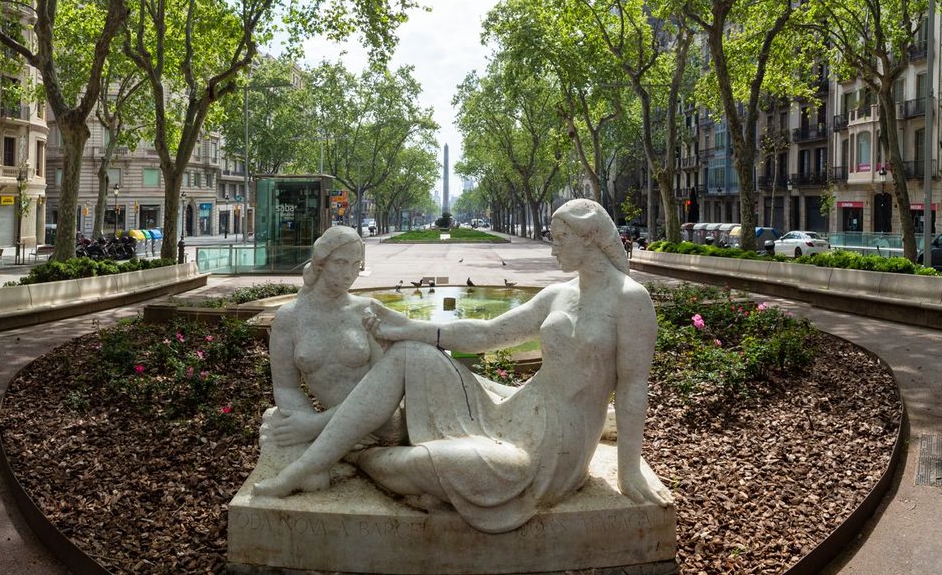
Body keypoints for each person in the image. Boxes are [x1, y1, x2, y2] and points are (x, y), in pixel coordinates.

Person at [254, 199, 670, 532]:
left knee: (459, 467)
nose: (553, 245)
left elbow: (634, 387)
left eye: (560, 237)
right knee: (409, 352)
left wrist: (628, 469)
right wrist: (410, 327)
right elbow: (487, 334)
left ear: (588, 238)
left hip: (558, 446)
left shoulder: (630, 301)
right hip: (519, 410)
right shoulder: (559, 294)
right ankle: (313, 463)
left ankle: (358, 455)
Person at [260, 226, 406, 457]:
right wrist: (307, 419)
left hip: (384, 427)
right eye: (341, 262)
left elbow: (383, 388)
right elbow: (285, 387)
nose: (349, 274)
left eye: (356, 265)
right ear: (321, 263)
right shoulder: (290, 317)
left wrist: (317, 427)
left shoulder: (367, 311)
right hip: (342, 429)